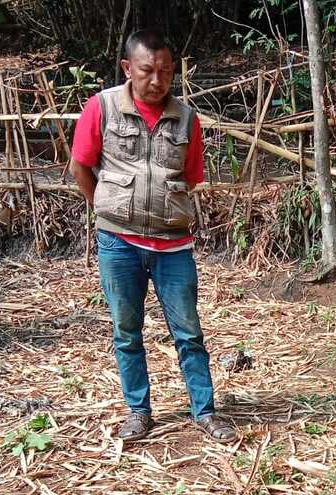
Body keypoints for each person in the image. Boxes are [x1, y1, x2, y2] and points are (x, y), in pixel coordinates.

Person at [70, 29, 236, 444]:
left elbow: (191, 177)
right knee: (127, 331)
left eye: (166, 71)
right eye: (148, 71)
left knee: (189, 332)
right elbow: (79, 168)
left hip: (172, 245)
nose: (157, 80)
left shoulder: (187, 118)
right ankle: (138, 412)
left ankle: (205, 411)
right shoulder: (102, 107)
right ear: (128, 68)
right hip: (118, 243)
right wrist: (107, 209)